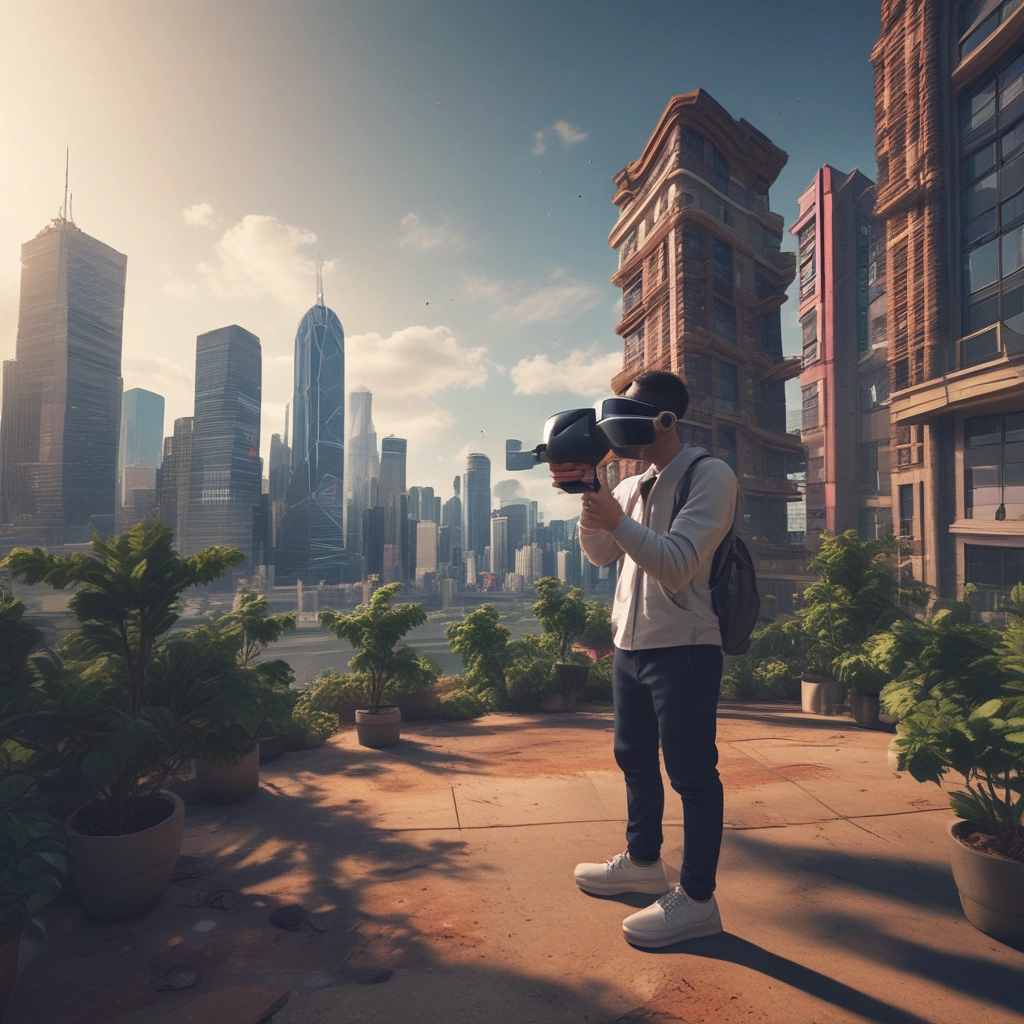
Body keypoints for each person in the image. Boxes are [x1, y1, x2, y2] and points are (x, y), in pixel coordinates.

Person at [552, 369, 737, 948]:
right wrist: (593, 496)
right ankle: (641, 860)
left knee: (691, 773)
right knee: (632, 756)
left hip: (685, 647)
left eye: (634, 409)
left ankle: (698, 899)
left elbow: (679, 563)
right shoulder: (633, 485)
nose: (620, 421)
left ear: (665, 420)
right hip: (629, 646)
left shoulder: (710, 476)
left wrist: (618, 520)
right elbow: (603, 553)